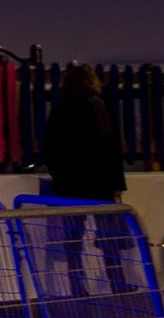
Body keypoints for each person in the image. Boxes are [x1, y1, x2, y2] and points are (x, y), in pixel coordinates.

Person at [40, 61, 130, 293]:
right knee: (108, 237)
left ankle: (77, 286)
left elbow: (50, 149)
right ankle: (117, 282)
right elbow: (110, 147)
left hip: (70, 184)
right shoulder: (98, 106)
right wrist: (117, 184)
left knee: (73, 239)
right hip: (100, 182)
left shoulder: (60, 110)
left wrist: (59, 177)